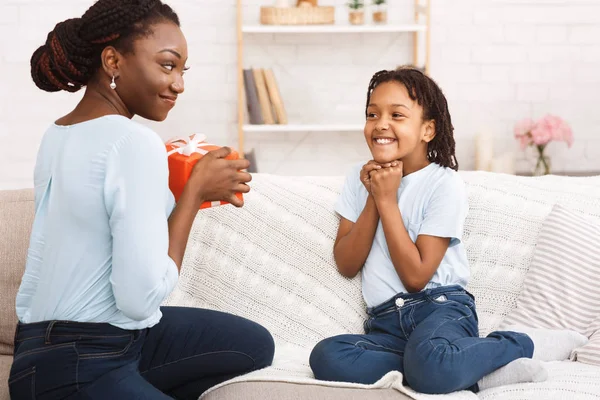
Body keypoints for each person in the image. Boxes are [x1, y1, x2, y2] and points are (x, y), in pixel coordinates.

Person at [9, 1, 274, 398]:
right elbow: (140, 298)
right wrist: (193, 195)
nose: (179, 84)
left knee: (251, 343)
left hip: (38, 353)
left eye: (182, 70)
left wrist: (174, 191)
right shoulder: (134, 142)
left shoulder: (57, 134)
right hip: (82, 367)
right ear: (113, 61)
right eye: (167, 65)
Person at [308, 67, 588, 394]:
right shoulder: (359, 178)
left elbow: (416, 276)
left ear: (427, 129)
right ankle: (465, 369)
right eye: (372, 114)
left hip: (440, 309)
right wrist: (373, 195)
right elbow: (346, 263)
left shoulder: (443, 183)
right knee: (327, 356)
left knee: (429, 359)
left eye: (397, 115)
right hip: (385, 324)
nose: (380, 123)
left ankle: (522, 344)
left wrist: (387, 200)